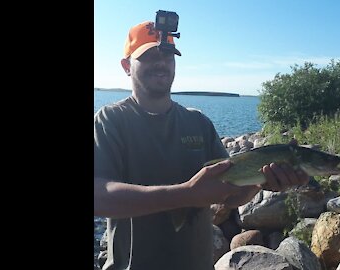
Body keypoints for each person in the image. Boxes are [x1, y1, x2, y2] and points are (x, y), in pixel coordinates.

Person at [94, 20, 310, 270]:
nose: (161, 63)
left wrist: (264, 180)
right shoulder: (110, 120)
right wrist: (187, 194)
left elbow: (230, 197)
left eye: (168, 55)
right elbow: (100, 197)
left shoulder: (198, 122)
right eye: (149, 56)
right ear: (126, 66)